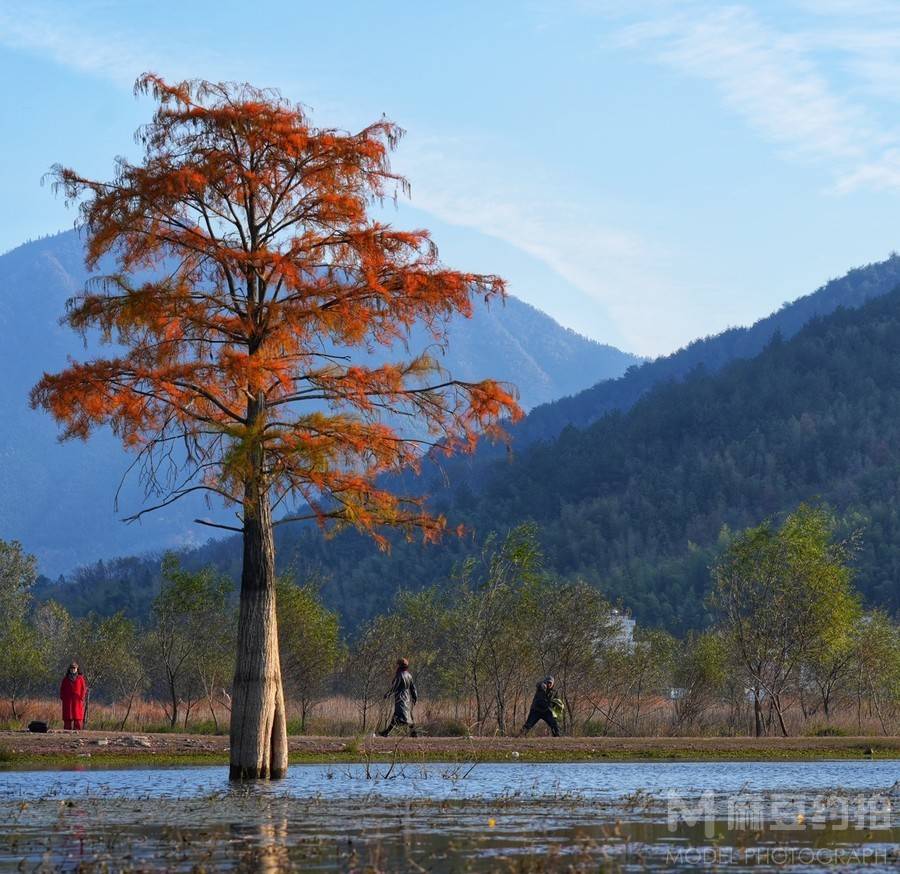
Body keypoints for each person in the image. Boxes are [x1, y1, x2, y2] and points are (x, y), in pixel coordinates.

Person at [378, 657, 418, 737]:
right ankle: (413, 733)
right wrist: (414, 697)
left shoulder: (399, 675)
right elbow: (413, 688)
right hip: (407, 698)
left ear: (400, 666)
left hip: (400, 698)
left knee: (399, 716)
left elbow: (394, 687)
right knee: (405, 716)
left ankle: (413, 733)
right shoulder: (409, 675)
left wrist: (387, 694)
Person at [60, 662, 87, 730]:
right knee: (67, 717)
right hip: (67, 700)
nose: (73, 670)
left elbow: (83, 689)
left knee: (77, 717)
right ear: (69, 669)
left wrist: (81, 697)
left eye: (74, 668)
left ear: (77, 669)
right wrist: (63, 697)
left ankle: (77, 731)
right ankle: (67, 731)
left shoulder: (80, 678)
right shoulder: (65, 679)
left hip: (77, 700)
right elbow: (62, 689)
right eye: (71, 668)